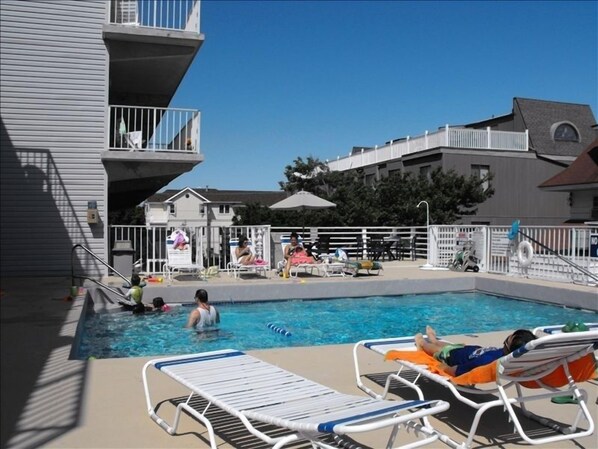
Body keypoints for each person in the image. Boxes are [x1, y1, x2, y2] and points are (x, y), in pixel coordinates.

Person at [415, 326, 536, 376]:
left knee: (440, 350)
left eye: (512, 336)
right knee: (450, 346)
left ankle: (423, 343)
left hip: (453, 357)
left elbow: (461, 369)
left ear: (509, 344)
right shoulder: (506, 357)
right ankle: (434, 339)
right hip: (467, 351)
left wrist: (443, 368)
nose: (510, 335)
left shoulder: (488, 360)